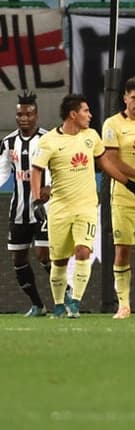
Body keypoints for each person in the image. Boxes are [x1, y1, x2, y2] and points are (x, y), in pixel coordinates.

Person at [30, 94, 135, 318]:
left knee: (83, 251)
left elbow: (105, 163)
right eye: (86, 111)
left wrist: (128, 183)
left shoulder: (91, 136)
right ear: (73, 114)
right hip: (60, 208)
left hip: (87, 206)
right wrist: (37, 199)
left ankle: (75, 302)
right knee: (60, 260)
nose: (90, 115)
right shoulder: (49, 142)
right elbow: (37, 171)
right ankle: (57, 304)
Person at [102, 76, 135, 319]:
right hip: (124, 195)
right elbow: (111, 160)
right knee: (123, 250)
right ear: (125, 98)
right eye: (134, 97)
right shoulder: (112, 124)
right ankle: (124, 304)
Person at [0, 91, 53, 316]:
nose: (24, 118)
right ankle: (37, 305)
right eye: (20, 114)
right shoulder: (8, 142)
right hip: (19, 210)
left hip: (43, 209)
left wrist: (49, 188)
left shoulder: (48, 139)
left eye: (29, 114)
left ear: (36, 115)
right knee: (18, 258)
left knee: (44, 254)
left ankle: (67, 295)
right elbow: (2, 173)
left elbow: (56, 168)